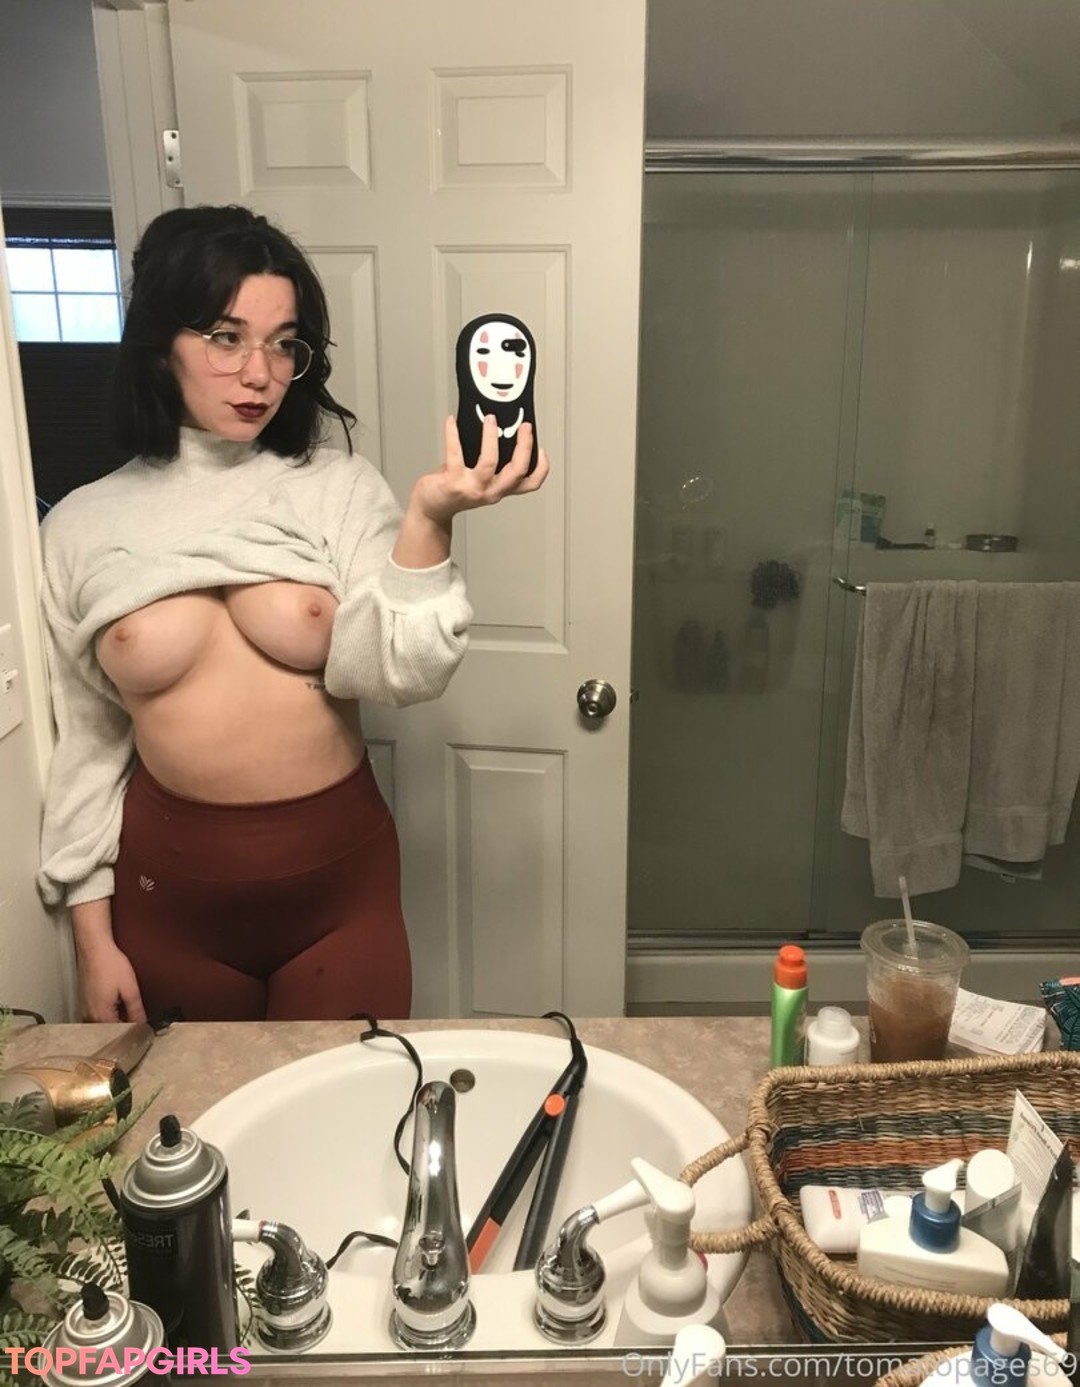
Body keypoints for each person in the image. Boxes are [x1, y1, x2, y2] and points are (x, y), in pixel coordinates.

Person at [37, 204, 548, 1024]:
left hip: (338, 893)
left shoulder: (336, 488)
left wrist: (430, 517)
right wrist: (92, 942)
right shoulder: (80, 525)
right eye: (226, 337)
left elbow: (404, 671)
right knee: (198, 1108)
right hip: (169, 900)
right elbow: (88, 748)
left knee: (354, 1101)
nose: (260, 373)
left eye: (284, 343)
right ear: (162, 343)